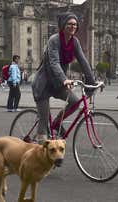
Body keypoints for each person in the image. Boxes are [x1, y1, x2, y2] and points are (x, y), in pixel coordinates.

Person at [32, 12, 96, 143]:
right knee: (43, 124)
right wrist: (64, 79)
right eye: (69, 24)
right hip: (43, 84)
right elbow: (54, 62)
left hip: (58, 83)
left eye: (75, 24)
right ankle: (40, 147)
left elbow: (83, 61)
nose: (73, 26)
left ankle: (56, 123)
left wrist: (93, 82)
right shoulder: (54, 40)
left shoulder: (75, 42)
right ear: (63, 25)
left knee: (75, 102)